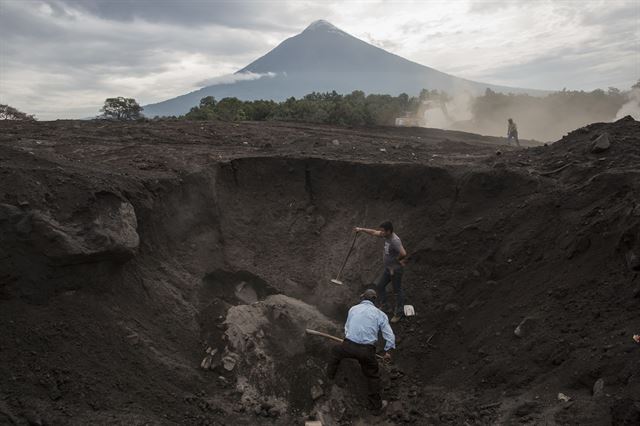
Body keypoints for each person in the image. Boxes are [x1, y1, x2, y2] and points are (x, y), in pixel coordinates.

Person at [327, 289, 395, 415]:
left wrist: (349, 340)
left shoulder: (353, 309)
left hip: (348, 345)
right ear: (374, 300)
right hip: (366, 351)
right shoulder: (380, 314)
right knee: (372, 376)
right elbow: (389, 336)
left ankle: (329, 377)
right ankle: (376, 407)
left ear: (363, 298)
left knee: (335, 352)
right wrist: (387, 351)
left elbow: (347, 328)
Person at [354, 221, 408, 323]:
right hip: (388, 269)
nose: (381, 232)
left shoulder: (394, 240)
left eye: (383, 231)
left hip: (395, 270)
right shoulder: (386, 236)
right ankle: (385, 306)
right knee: (380, 286)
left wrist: (396, 261)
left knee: (397, 291)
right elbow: (374, 232)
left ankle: (399, 313)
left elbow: (403, 253)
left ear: (389, 231)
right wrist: (361, 229)